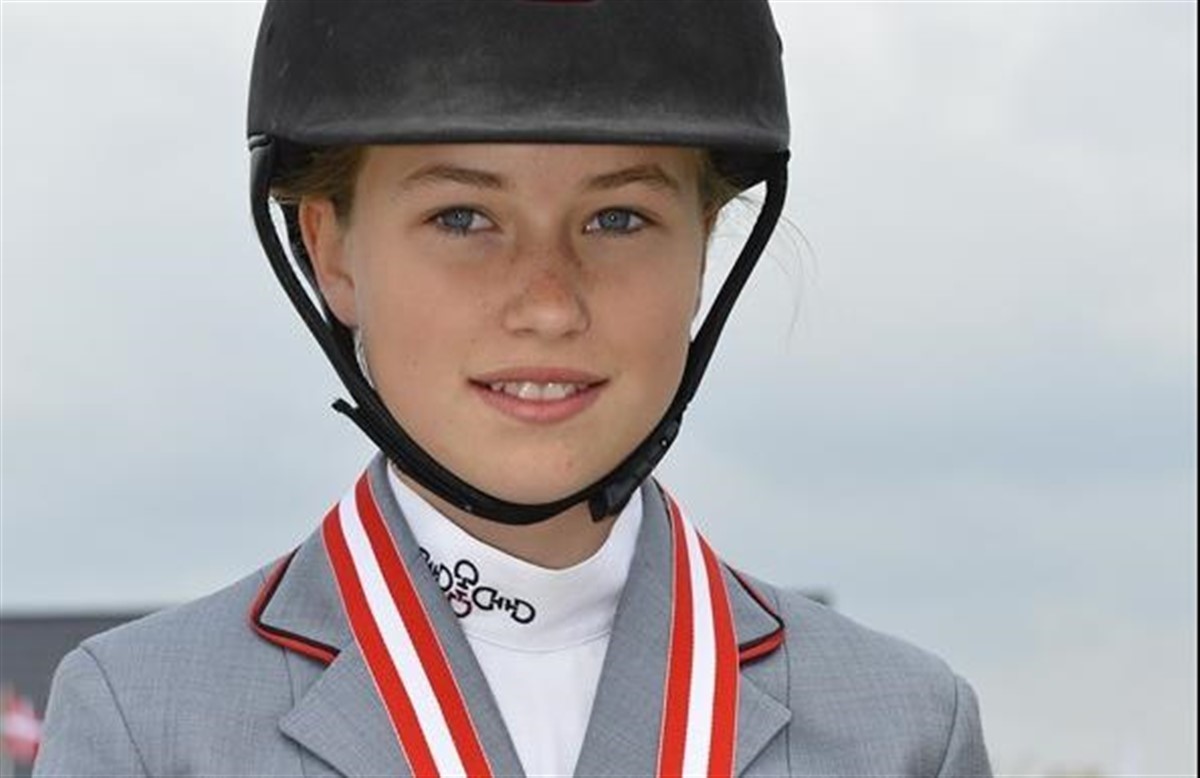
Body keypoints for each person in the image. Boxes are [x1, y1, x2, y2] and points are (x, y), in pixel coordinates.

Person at [35, 2, 992, 776]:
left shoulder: (904, 735)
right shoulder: (145, 726)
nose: (547, 305)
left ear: (702, 250)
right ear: (332, 252)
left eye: (617, 218)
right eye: (463, 217)